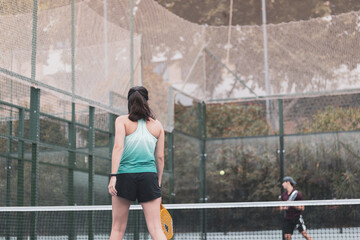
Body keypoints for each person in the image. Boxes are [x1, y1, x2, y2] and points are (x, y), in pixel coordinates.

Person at [108, 86, 167, 240]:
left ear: (129, 101)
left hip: (124, 176)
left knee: (117, 229)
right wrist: (158, 180)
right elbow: (160, 157)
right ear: (147, 101)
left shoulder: (121, 121)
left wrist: (113, 176)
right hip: (149, 177)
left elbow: (118, 147)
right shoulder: (158, 126)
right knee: (156, 228)